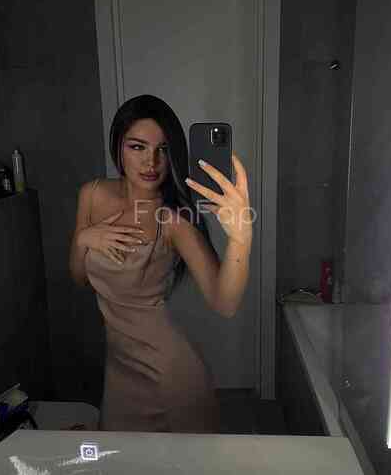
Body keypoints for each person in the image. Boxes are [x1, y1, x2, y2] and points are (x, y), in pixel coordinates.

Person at [69, 94, 253, 433]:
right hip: (119, 372)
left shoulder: (173, 221)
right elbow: (80, 278)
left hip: (172, 377)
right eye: (137, 147)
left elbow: (224, 303)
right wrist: (83, 240)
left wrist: (242, 237)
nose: (151, 161)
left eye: (163, 149)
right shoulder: (92, 195)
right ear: (118, 147)